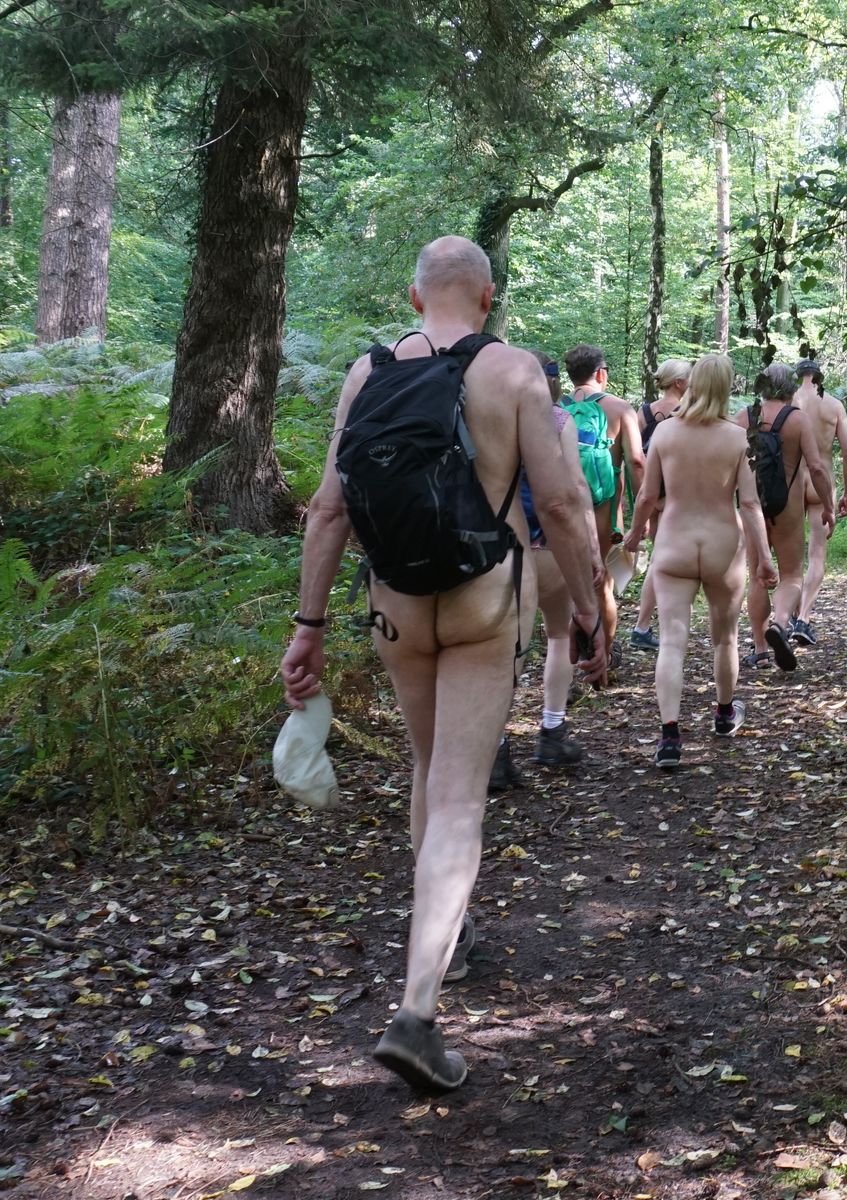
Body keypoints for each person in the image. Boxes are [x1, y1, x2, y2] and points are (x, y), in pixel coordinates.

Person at [280, 236, 607, 1092]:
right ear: (489, 296)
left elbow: (326, 511)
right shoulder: (512, 375)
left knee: (430, 772)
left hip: (395, 603)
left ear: (417, 297)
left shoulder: (367, 372)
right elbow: (566, 502)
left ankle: (441, 944)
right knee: (462, 793)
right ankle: (417, 1009)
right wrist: (589, 603)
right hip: (482, 598)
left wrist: (307, 626)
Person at [630, 353, 776, 768]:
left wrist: (637, 534)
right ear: (727, 388)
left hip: (673, 544)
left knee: (672, 641)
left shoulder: (665, 433)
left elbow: (646, 496)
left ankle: (670, 737)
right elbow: (749, 504)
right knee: (725, 638)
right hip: (721, 547)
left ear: (691, 384)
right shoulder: (735, 438)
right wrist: (764, 559)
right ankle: (724, 713)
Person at [490, 351, 597, 787]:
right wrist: (589, 544)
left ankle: (495, 747)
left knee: (503, 651)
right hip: (550, 548)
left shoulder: (492, 416)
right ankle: (552, 730)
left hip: (499, 551)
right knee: (558, 634)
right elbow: (573, 486)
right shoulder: (558, 420)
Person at [736, 363, 834, 670]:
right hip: (788, 506)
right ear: (790, 388)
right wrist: (828, 505)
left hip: (753, 505)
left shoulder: (743, 418)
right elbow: (816, 468)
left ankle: (761, 649)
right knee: (791, 574)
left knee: (756, 574)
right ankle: (779, 623)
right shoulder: (797, 420)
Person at [561, 345, 641, 657]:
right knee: (603, 587)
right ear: (601, 373)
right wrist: (643, 516)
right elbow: (636, 461)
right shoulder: (620, 409)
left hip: (563, 512)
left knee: (567, 590)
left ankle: (567, 668)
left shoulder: (554, 409)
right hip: (606, 514)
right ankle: (602, 663)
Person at [623, 358, 691, 653]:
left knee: (659, 558)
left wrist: (637, 497)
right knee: (669, 561)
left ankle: (648, 624)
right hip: (677, 494)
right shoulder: (686, 413)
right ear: (679, 383)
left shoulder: (645, 412)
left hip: (650, 493)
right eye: (689, 378)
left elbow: (633, 455)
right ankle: (648, 625)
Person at [791, 358, 847, 646]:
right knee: (816, 555)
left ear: (798, 376)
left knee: (790, 556)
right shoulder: (834, 405)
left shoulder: (788, 401)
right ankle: (802, 618)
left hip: (792, 480)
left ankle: (785, 616)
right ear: (820, 376)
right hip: (822, 481)